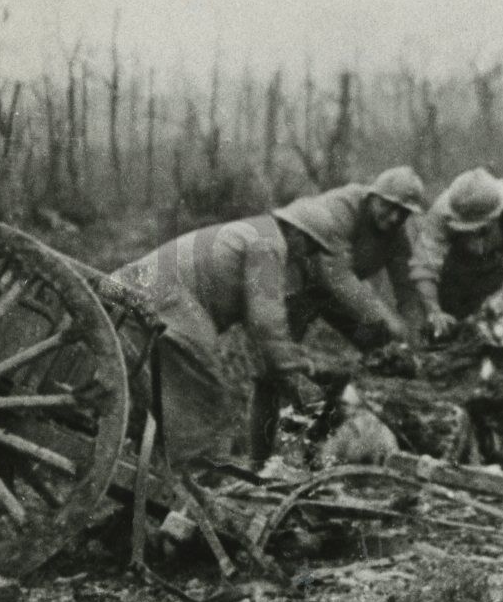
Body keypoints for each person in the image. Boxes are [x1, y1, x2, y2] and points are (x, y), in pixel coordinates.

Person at [111, 169, 426, 470]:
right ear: (299, 235)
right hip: (166, 300)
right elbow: (267, 324)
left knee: (185, 393)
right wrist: (299, 370)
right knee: (206, 396)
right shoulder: (268, 247)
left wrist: (296, 362)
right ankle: (196, 478)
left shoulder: (260, 234)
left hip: (152, 293)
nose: (309, 256)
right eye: (311, 248)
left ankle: (171, 465)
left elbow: (264, 323)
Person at [271, 166, 429, 347]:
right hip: (296, 274)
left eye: (403, 212)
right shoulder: (343, 207)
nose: (395, 217)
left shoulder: (398, 237)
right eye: (389, 206)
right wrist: (385, 317)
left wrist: (414, 333)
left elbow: (407, 289)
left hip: (331, 292)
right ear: (373, 196)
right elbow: (336, 274)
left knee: (380, 339)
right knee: (279, 343)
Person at [410, 167, 503, 338]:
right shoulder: (441, 211)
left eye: (483, 231)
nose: (477, 246)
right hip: (459, 272)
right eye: (467, 232)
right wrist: (433, 310)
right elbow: (424, 265)